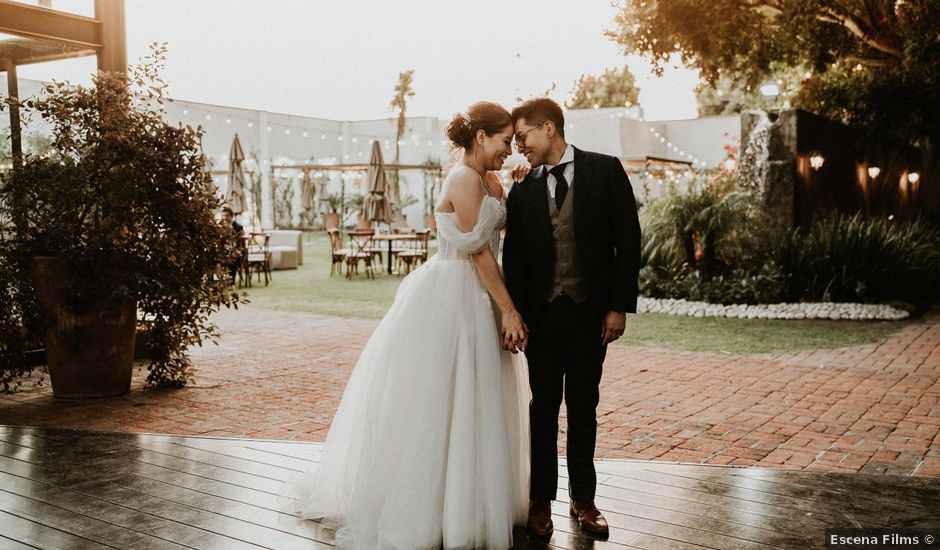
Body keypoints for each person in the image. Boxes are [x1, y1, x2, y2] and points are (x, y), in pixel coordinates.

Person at [282, 101, 530, 549]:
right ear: (480, 137)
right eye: (504, 141)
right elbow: (479, 251)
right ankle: (433, 509)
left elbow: (496, 234)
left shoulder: (490, 179)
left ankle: (472, 498)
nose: (509, 149)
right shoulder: (462, 178)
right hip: (456, 294)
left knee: (477, 397)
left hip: (480, 295)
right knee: (442, 401)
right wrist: (509, 309)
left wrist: (510, 186)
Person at [503, 98, 642, 540]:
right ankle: (540, 500)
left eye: (522, 136)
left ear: (548, 128)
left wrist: (618, 306)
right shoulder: (523, 186)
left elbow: (628, 241)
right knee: (541, 409)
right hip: (542, 318)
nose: (518, 147)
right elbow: (516, 259)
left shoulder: (605, 170)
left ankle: (584, 500)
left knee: (584, 407)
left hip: (589, 315)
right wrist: (517, 317)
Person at [220, 206, 245, 285]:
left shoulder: (239, 227)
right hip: (223, 251)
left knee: (233, 257)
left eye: (227, 215)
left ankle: (231, 283)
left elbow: (240, 243)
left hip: (236, 251)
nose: (225, 218)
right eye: (223, 216)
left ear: (231, 216)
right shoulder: (220, 227)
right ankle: (216, 282)